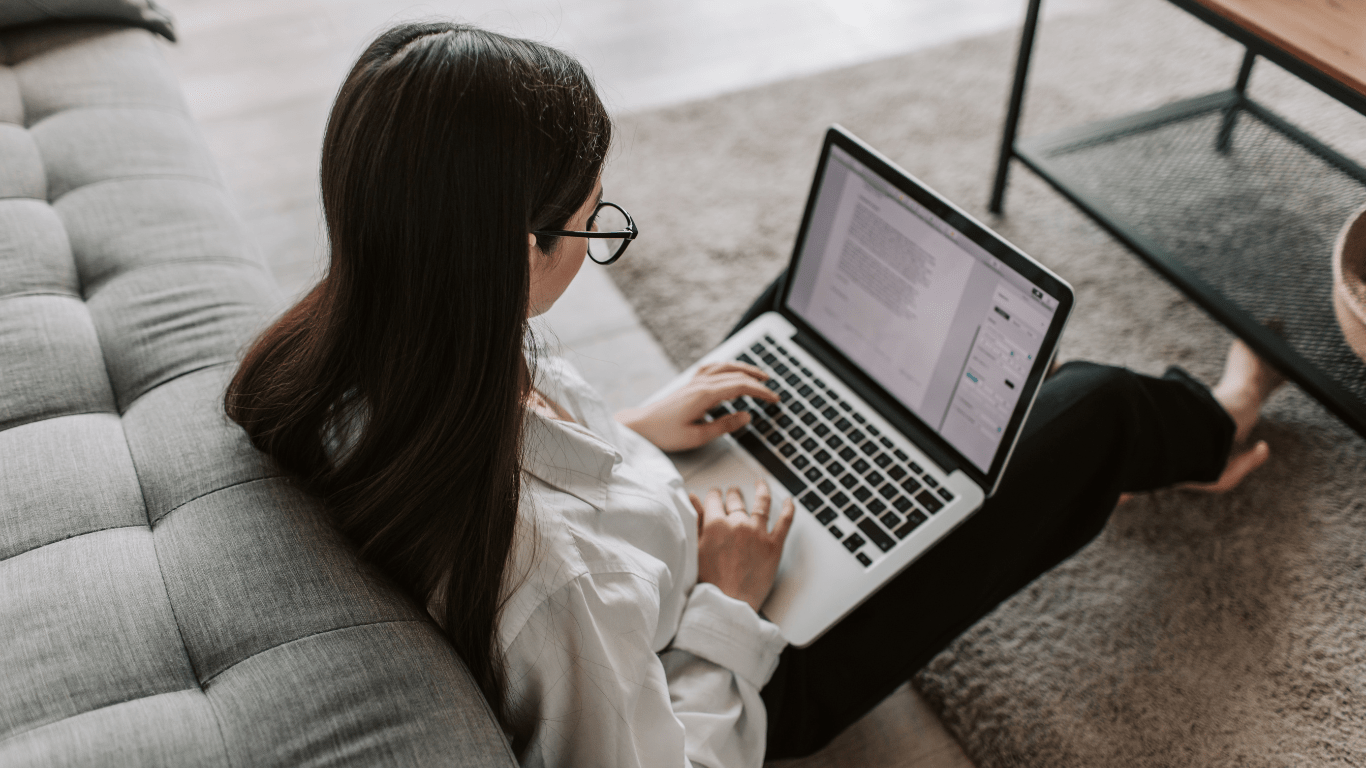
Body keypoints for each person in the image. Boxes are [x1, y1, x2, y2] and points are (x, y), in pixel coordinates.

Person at [224, 21, 1284, 768]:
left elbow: (523, 467)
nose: (599, 239)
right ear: (514, 249)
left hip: (656, 532)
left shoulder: (367, 339)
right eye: (593, 226)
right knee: (1096, 407)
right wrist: (730, 597)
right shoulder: (550, 585)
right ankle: (1214, 426)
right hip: (745, 669)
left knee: (806, 320)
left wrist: (636, 431)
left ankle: (974, 411)